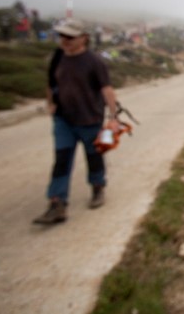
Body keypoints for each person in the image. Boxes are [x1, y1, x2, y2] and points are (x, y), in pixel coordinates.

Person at [33, 18, 120, 225]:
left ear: (84, 38)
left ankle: (98, 188)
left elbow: (107, 90)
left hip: (90, 119)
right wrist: (50, 104)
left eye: (70, 37)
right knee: (62, 160)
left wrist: (113, 118)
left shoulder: (95, 62)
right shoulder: (57, 57)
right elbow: (51, 82)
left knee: (94, 157)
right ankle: (57, 204)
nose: (65, 40)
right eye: (62, 36)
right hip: (63, 120)